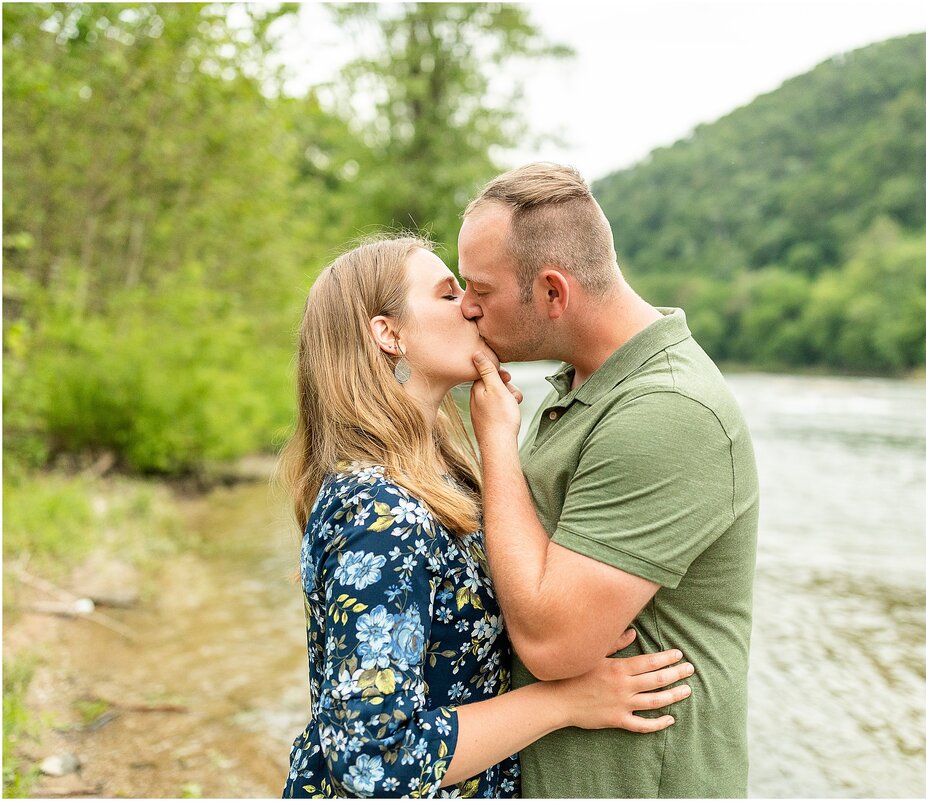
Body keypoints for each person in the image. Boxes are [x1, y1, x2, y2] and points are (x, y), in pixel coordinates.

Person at [277, 235, 696, 798]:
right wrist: (566, 700)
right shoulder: (375, 507)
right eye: (449, 294)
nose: (472, 307)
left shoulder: (442, 479)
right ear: (388, 333)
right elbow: (373, 761)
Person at [458, 163, 759, 798]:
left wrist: (496, 446)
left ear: (552, 292)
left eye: (480, 288)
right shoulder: (576, 387)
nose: (467, 307)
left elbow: (553, 642)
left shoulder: (670, 412)